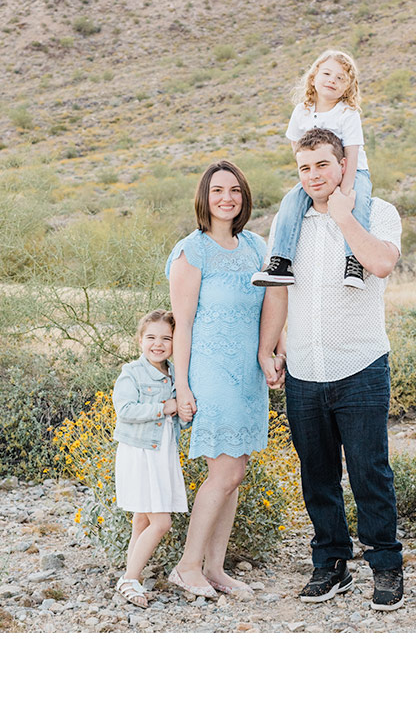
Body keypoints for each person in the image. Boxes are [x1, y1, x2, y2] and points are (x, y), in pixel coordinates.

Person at [258, 127, 405, 610]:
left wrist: (345, 219)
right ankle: (331, 565)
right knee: (316, 474)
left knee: (369, 472)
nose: (313, 175)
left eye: (322, 164)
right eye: (304, 167)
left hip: (360, 364)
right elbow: (278, 290)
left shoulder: (377, 212)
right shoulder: (288, 224)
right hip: (303, 368)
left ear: (343, 164)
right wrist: (269, 350)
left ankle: (385, 566)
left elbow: (381, 263)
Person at [165, 160, 269, 600]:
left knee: (236, 472)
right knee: (223, 471)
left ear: (244, 197)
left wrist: (274, 354)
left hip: (248, 373)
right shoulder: (193, 251)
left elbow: (272, 307)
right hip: (209, 371)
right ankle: (187, 567)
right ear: (204, 199)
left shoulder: (257, 247)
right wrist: (183, 385)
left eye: (235, 191)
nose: (227, 198)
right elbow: (182, 325)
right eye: (217, 191)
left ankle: (215, 569)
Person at [252, 49, 373, 290]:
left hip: (352, 171)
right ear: (314, 77)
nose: (332, 80)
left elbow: (352, 152)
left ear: (348, 87)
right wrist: (307, 172)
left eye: (341, 78)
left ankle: (354, 262)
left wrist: (345, 190)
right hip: (317, 173)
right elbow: (296, 144)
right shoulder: (302, 111)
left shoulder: (347, 114)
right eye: (327, 73)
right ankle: (281, 262)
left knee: (357, 202)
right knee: (290, 202)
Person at [112, 310, 188, 609]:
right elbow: (126, 410)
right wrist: (164, 407)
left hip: (162, 452)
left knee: (143, 519)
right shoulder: (132, 372)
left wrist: (183, 413)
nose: (158, 344)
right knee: (161, 521)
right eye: (151, 337)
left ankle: (132, 575)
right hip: (140, 452)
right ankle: (129, 578)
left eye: (166, 338)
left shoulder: (176, 373)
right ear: (140, 340)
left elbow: (177, 415)